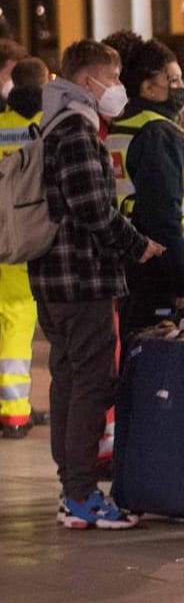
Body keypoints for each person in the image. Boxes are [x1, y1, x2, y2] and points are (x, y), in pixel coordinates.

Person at [29, 40, 164, 529]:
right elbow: (92, 208)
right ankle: (82, 492)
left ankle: (72, 488)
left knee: (68, 379)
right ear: (89, 81)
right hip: (80, 277)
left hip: (52, 276)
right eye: (113, 76)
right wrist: (137, 245)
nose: (118, 87)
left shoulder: (50, 122)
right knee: (90, 381)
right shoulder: (78, 131)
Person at [106, 39, 184, 340]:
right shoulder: (159, 133)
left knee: (139, 357)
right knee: (164, 368)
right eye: (172, 79)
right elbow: (163, 214)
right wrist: (182, 280)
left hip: (131, 262)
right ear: (148, 88)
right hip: (160, 270)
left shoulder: (124, 127)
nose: (181, 85)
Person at [1, 57, 48, 439]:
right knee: (18, 321)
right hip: (30, 235)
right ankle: (15, 411)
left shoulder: (1, 123)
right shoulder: (46, 124)